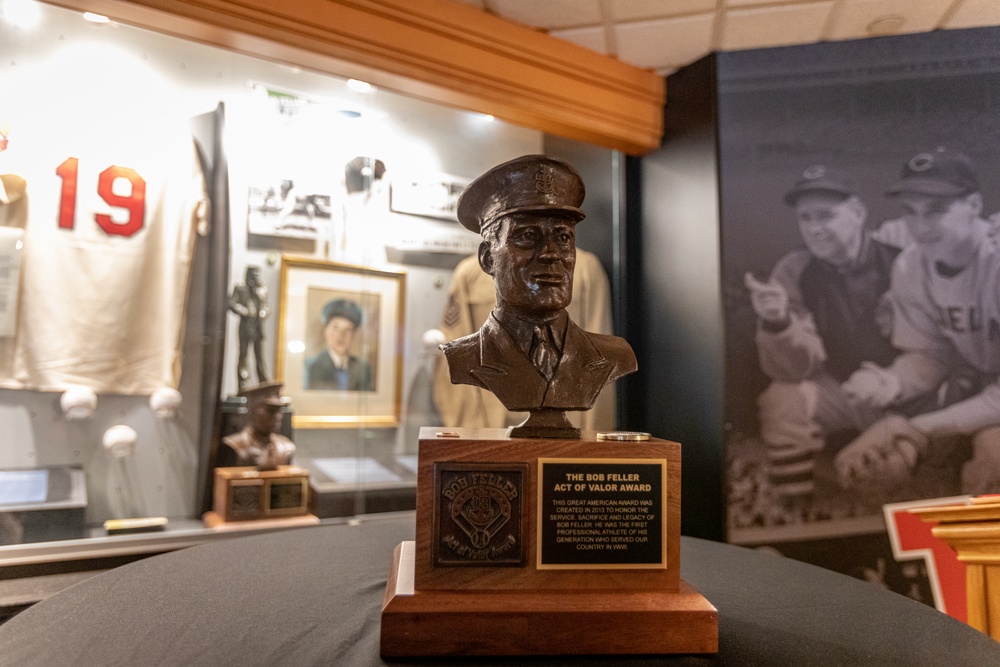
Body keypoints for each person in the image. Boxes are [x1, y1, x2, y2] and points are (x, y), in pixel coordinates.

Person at [835, 148, 1000, 494]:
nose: (921, 227)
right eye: (910, 212)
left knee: (992, 463)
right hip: (981, 385)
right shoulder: (910, 265)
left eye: (936, 210)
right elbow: (931, 355)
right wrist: (890, 382)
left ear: (974, 205)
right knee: (890, 457)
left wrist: (920, 427)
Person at [441, 154, 636, 437]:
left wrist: (588, 452)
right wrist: (474, 445)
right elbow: (453, 382)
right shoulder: (467, 275)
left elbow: (597, 337)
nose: (550, 254)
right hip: (492, 433)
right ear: (488, 258)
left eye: (563, 237)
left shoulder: (589, 274)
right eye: (527, 236)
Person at [744, 165, 903, 504]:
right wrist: (778, 322)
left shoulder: (902, 262)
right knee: (783, 399)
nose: (815, 229)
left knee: (884, 484)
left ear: (859, 213)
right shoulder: (795, 269)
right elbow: (790, 371)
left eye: (826, 216)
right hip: (843, 390)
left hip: (906, 395)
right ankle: (795, 510)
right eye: (806, 218)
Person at [217, 381, 295, 471]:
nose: (277, 417)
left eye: (279, 411)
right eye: (270, 411)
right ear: (252, 411)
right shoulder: (236, 446)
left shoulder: (286, 448)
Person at [304, 298, 374, 391]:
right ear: (325, 330)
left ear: (354, 335)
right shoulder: (310, 367)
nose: (341, 335)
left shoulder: (363, 368)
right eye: (336, 328)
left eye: (348, 329)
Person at [228, 266, 270, 390]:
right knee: (243, 355)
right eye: (253, 275)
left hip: (258, 327)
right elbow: (232, 303)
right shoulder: (240, 288)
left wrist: (263, 312)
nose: (255, 278)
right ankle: (243, 382)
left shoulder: (262, 290)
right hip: (246, 326)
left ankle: (263, 381)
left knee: (259, 356)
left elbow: (266, 306)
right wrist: (245, 311)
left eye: (257, 275)